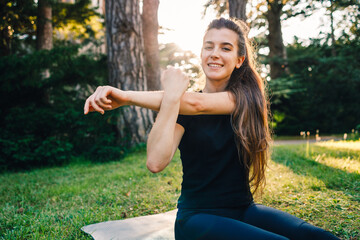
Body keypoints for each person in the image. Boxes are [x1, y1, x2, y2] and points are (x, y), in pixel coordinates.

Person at [84, 18, 340, 240]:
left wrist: (126, 96)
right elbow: (155, 162)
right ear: (201, 54)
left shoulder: (247, 99)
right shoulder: (180, 105)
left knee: (316, 236)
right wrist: (172, 98)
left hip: (243, 209)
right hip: (196, 220)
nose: (215, 53)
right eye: (209, 46)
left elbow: (197, 103)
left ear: (240, 60)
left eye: (225, 48)